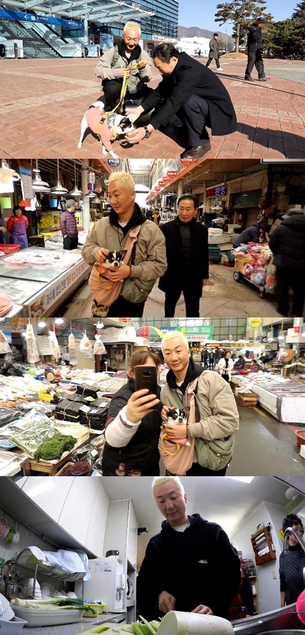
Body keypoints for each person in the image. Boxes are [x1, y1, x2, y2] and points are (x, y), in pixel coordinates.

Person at [137, 476, 241, 620]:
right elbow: (144, 584)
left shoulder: (214, 533)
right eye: (161, 501)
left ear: (185, 497)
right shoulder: (155, 545)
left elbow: (232, 575)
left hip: (213, 621)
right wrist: (159, 594)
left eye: (173, 497)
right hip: (173, 624)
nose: (169, 506)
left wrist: (214, 605)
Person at [125, 43, 237, 160]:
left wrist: (146, 130)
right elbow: (160, 91)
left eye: (160, 67)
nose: (160, 71)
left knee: (186, 101)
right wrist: (139, 109)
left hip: (217, 110)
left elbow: (175, 101)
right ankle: (188, 130)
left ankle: (201, 143)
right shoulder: (177, 66)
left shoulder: (190, 70)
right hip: (203, 103)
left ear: (173, 59)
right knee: (170, 101)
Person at [82, 172, 167, 317]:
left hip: (133, 298)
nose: (112, 201)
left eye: (117, 195)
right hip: (103, 296)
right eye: (109, 196)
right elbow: (86, 251)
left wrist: (130, 271)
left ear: (132, 194)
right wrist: (94, 251)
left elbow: (159, 266)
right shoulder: (100, 226)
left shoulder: (151, 230)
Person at [160, 331, 239, 476]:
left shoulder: (211, 380)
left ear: (188, 352)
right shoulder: (166, 390)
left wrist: (188, 430)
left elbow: (229, 421)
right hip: (180, 459)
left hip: (209, 459)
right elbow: (172, 427)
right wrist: (167, 417)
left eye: (178, 351)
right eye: (168, 353)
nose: (174, 357)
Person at [102, 351, 162, 476]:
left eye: (152, 370)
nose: (147, 374)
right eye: (142, 370)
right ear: (131, 372)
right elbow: (111, 438)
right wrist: (128, 417)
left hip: (149, 465)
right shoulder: (122, 397)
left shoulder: (158, 392)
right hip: (123, 470)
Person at [159, 195, 209, 317]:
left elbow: (204, 253)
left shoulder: (201, 230)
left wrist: (205, 275)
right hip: (172, 274)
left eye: (188, 209)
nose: (184, 212)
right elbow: (159, 253)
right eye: (181, 208)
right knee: (169, 308)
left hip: (193, 275)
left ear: (195, 211)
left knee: (193, 310)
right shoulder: (166, 228)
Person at [95, 22, 152, 111]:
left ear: (139, 39)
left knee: (153, 95)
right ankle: (111, 110)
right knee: (112, 89)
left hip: (135, 89)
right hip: (116, 88)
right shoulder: (112, 52)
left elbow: (147, 78)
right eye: (128, 39)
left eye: (135, 39)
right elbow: (98, 70)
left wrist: (142, 69)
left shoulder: (143, 55)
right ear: (123, 36)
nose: (132, 43)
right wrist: (117, 73)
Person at [269, 208, 305, 317]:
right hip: (302, 266)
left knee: (282, 287)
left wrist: (279, 254)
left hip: (283, 264)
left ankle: (283, 309)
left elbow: (272, 244)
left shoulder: (280, 229)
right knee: (299, 290)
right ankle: (297, 312)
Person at [279, 513, 305, 606]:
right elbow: (283, 584)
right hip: (292, 604)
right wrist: (282, 606)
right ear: (288, 533)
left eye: (301, 530)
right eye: (296, 530)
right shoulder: (283, 557)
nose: (300, 533)